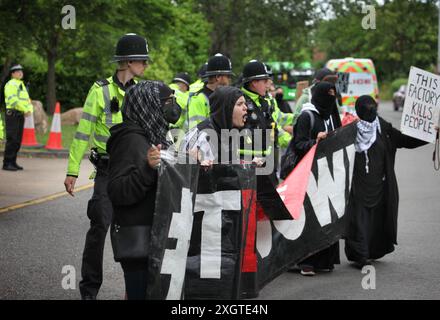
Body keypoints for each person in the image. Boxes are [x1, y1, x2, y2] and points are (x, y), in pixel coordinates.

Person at [63, 33, 148, 300]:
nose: (145, 65)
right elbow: (82, 133)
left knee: (137, 232)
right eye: (142, 61)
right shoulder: (99, 91)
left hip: (134, 171)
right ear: (128, 61)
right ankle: (89, 291)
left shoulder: (141, 91)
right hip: (108, 171)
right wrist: (72, 170)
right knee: (99, 227)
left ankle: (133, 291)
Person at [106, 81, 179, 300]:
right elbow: (118, 191)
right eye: (167, 102)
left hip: (153, 238)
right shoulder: (130, 140)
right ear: (148, 104)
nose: (173, 107)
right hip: (138, 242)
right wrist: (148, 168)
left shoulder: (153, 135)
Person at [345, 95, 429, 268]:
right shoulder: (349, 130)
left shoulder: (383, 128)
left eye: (372, 107)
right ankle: (360, 255)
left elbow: (405, 140)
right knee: (359, 218)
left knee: (376, 219)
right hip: (358, 184)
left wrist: (428, 135)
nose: (370, 110)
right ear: (360, 111)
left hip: (380, 184)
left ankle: (371, 251)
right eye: (367, 107)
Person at [292, 81, 342, 276]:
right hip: (308, 176)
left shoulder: (330, 115)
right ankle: (307, 262)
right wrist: (316, 141)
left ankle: (324, 260)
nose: (331, 99)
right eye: (327, 94)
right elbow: (298, 144)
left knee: (326, 216)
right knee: (310, 219)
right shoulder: (307, 116)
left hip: (327, 175)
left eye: (333, 94)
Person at [240, 60, 293, 177]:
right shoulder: (238, 101)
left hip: (267, 165)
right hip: (246, 167)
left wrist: (294, 142)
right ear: (254, 83)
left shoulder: (264, 101)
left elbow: (274, 128)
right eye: (265, 80)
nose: (269, 83)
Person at [181, 86, 247, 164]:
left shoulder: (231, 132)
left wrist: (247, 164)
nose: (245, 108)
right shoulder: (202, 136)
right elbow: (187, 173)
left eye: (245, 104)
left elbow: (228, 168)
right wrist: (200, 166)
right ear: (225, 109)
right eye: (239, 104)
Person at [187, 53, 234, 129]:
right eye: (228, 76)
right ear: (218, 77)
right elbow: (195, 131)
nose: (229, 80)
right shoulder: (199, 100)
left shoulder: (227, 97)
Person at [2, 64, 33, 171]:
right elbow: (13, 100)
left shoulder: (22, 85)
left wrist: (29, 110)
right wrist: (25, 109)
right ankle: (7, 163)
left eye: (21, 71)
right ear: (12, 74)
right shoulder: (11, 84)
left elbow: (27, 100)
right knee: (12, 139)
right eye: (17, 71)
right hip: (13, 115)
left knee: (18, 140)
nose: (20, 73)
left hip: (20, 115)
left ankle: (13, 162)